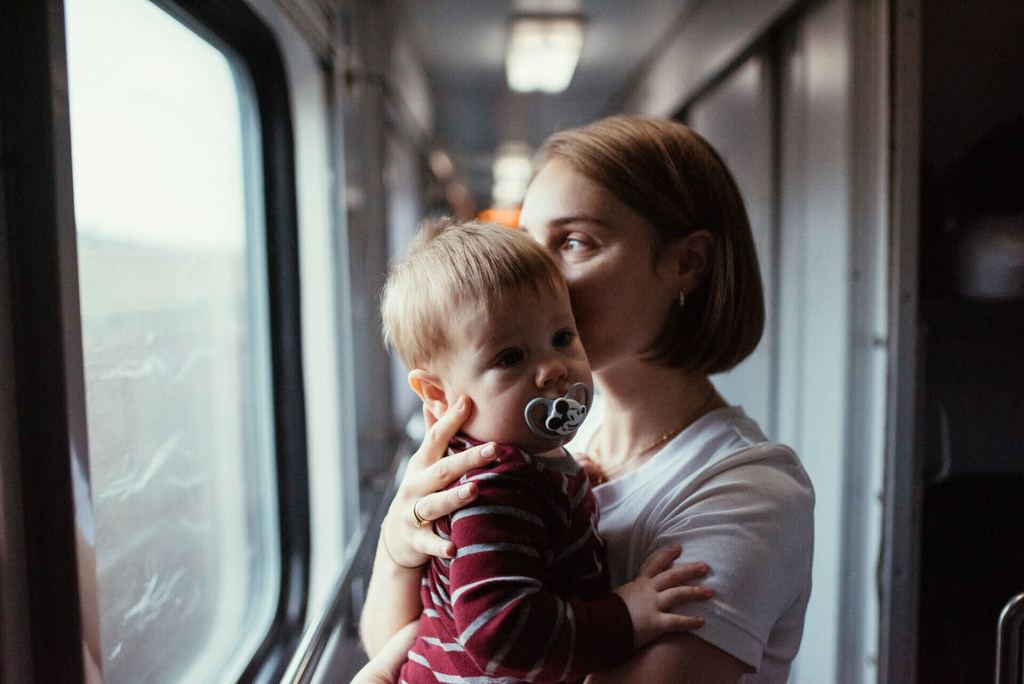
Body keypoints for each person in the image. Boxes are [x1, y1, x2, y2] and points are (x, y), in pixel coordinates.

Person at [358, 116, 815, 683]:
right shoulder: (541, 433)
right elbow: (400, 643)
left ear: (686, 264)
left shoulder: (747, 492)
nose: (539, 273)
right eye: (530, 244)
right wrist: (398, 547)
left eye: (575, 241)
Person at [373, 217, 712, 683]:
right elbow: (500, 631)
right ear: (437, 394)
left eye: (562, 338)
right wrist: (625, 616)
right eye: (510, 357)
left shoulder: (531, 463)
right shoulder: (496, 490)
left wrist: (572, 479)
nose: (552, 369)